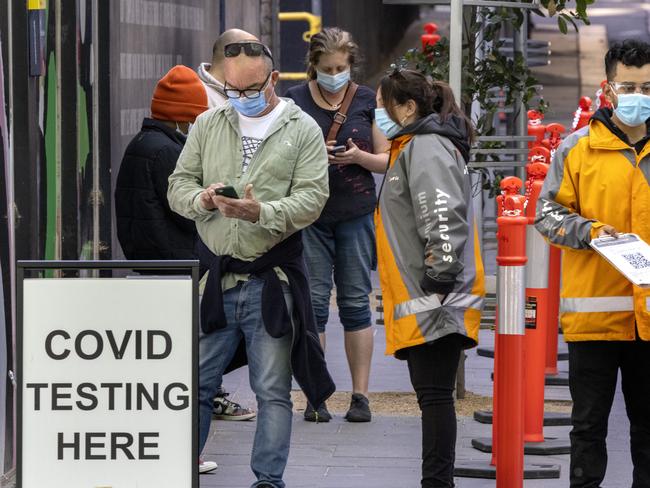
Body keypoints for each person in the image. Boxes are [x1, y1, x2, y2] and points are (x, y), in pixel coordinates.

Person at [168, 40, 335, 487]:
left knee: (272, 390)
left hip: (271, 280)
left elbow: (313, 199)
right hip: (218, 278)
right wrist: (201, 199)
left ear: (273, 80)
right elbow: (178, 185)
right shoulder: (208, 123)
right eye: (232, 89)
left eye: (251, 89)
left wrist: (262, 212)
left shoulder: (302, 130)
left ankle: (268, 480)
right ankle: (181, 471)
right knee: (195, 385)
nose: (242, 97)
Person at [535, 39, 650, 488]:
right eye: (629, 86)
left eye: (646, 86)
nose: (638, 95)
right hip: (595, 319)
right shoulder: (576, 149)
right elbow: (547, 215)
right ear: (608, 89)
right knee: (587, 430)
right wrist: (592, 233)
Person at [374, 68, 484, 488]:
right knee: (432, 397)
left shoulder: (424, 146)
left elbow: (441, 212)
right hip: (430, 294)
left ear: (408, 107)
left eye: (385, 107)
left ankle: (437, 483)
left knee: (435, 397)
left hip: (435, 296)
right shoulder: (418, 145)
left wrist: (439, 276)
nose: (380, 115)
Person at [285, 27, 389, 423]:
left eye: (341, 67)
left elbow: (386, 158)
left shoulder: (365, 98)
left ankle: (360, 395)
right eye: (327, 68)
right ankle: (316, 394)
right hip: (309, 216)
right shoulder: (293, 102)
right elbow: (279, 158)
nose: (334, 75)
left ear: (350, 65)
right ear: (313, 66)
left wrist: (358, 157)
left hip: (355, 213)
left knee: (356, 302)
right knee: (311, 305)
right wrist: (314, 156)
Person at [198, 29, 259, 108]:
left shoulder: (242, 97)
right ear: (231, 53)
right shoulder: (197, 96)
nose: (259, 62)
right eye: (254, 53)